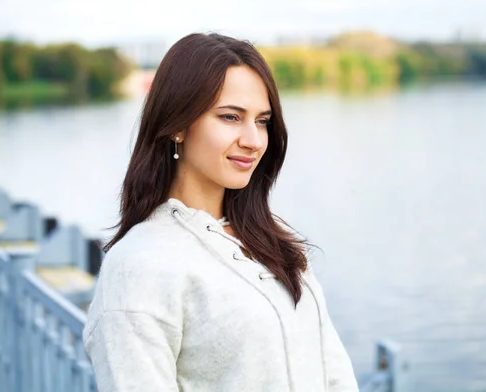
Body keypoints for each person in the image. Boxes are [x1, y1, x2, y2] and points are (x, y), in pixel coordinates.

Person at [82, 33, 358, 392]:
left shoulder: (270, 239)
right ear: (178, 125)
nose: (254, 140)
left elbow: (333, 372)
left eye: (262, 121)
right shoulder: (138, 266)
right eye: (230, 117)